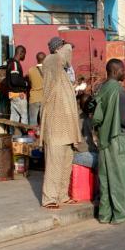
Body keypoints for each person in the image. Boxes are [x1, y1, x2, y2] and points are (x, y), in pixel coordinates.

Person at [93, 59, 125, 224]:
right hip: (119, 139)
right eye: (123, 70)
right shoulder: (119, 92)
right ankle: (121, 215)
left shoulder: (102, 89)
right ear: (116, 72)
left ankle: (105, 214)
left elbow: (95, 114)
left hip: (104, 139)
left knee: (106, 179)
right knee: (121, 179)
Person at [40, 37, 82, 209]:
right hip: (56, 124)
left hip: (67, 126)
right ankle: (49, 198)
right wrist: (67, 45)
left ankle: (62, 195)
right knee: (54, 163)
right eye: (65, 48)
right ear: (58, 49)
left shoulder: (61, 72)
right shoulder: (51, 62)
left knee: (66, 163)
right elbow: (64, 54)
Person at [73, 93, 98, 169]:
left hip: (81, 153)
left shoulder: (79, 115)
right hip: (81, 154)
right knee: (104, 162)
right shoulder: (85, 118)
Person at [7, 45, 28, 125]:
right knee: (24, 118)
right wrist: (25, 83)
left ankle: (13, 137)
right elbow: (14, 81)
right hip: (18, 95)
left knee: (14, 119)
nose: (24, 56)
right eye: (24, 54)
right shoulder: (14, 64)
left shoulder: (11, 63)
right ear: (21, 53)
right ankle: (24, 136)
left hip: (13, 95)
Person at [28, 52, 45, 126]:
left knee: (33, 121)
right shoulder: (48, 70)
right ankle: (43, 137)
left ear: (37, 59)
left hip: (34, 98)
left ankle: (32, 136)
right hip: (44, 98)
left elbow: (30, 82)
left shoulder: (30, 70)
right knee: (43, 121)